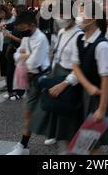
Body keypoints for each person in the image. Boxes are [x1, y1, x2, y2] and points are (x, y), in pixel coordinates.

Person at [72, 8, 108, 155]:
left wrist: (101, 109)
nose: (79, 17)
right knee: (105, 139)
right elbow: (75, 66)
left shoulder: (102, 46)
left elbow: (106, 79)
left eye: (83, 13)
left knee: (91, 143)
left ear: (93, 19)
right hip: (91, 93)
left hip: (103, 96)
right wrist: (88, 87)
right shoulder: (80, 39)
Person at [29, 10, 83, 152]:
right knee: (54, 106)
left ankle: (66, 143)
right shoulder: (61, 32)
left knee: (66, 111)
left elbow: (80, 66)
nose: (60, 19)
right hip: (57, 71)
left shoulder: (79, 35)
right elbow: (57, 52)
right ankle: (55, 134)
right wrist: (51, 72)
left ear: (72, 17)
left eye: (64, 16)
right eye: (59, 16)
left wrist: (68, 81)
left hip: (70, 76)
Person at [8, 11, 50, 155]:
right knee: (28, 112)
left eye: (22, 28)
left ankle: (56, 136)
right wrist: (23, 56)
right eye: (19, 29)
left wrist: (24, 56)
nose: (21, 32)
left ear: (32, 25)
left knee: (50, 111)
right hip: (31, 79)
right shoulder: (26, 38)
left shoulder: (41, 38)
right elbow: (17, 54)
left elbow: (34, 62)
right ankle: (23, 145)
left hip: (42, 78)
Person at [0, 5, 16, 97]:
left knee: (10, 65)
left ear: (5, 11)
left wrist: (6, 31)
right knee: (3, 65)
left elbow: (15, 30)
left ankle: (13, 84)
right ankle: (7, 84)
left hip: (10, 44)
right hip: (1, 45)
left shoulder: (12, 19)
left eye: (0, 13)